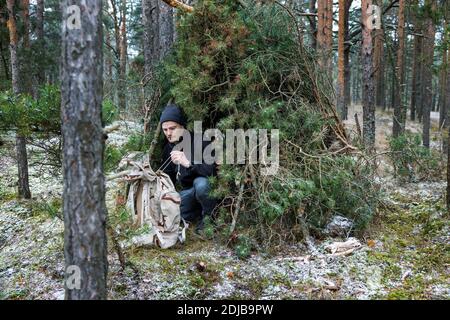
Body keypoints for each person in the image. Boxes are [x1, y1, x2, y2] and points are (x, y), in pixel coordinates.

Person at [159, 104, 217, 233]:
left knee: (201, 184)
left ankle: (209, 219)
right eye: (165, 129)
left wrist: (188, 163)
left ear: (182, 126)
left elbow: (212, 171)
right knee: (172, 211)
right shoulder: (168, 147)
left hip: (207, 190)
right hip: (188, 193)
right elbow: (167, 178)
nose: (168, 133)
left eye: (172, 128)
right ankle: (194, 213)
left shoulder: (200, 140)